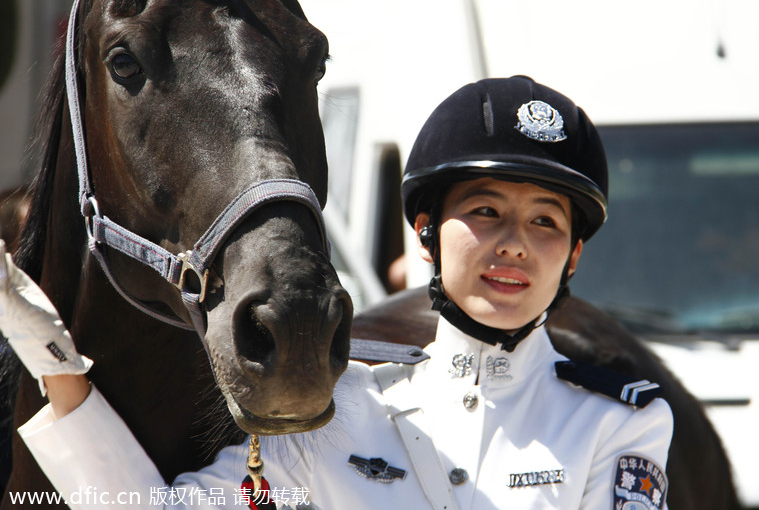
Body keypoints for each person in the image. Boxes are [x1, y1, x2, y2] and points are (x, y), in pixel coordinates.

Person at [1, 75, 673, 509]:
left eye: (546, 221)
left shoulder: (620, 423)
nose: (515, 244)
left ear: (574, 253)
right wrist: (55, 363)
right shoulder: (337, 410)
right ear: (427, 230)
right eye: (487, 211)